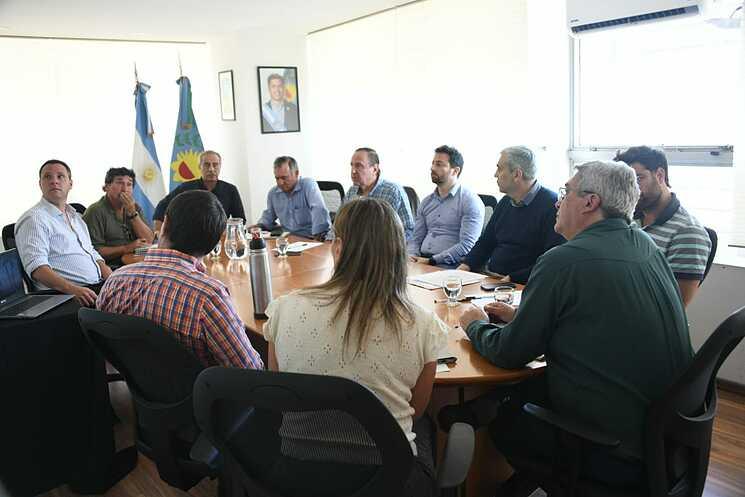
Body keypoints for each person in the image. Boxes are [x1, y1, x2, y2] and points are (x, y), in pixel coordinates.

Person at [451, 161, 693, 490]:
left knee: (505, 423)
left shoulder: (562, 261)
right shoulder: (645, 246)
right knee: (523, 389)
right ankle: (476, 412)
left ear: (590, 202)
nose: (557, 201)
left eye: (565, 192)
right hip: (663, 437)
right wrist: (524, 317)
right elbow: (597, 319)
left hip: (611, 448)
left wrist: (475, 324)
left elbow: (510, 354)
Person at [262, 197, 448, 496]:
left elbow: (282, 394)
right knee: (428, 425)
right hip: (388, 477)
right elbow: (413, 411)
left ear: (338, 247)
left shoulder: (284, 309)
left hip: (298, 470)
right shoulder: (423, 326)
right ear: (399, 254)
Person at [97, 190, 263, 369]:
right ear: (214, 244)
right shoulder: (208, 297)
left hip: (138, 387)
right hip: (199, 394)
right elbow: (249, 371)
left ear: (165, 223)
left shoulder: (116, 280)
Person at [615, 146, 711, 306]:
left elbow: (671, 307)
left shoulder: (688, 233)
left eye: (638, 179)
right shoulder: (629, 221)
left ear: (660, 175)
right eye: (625, 183)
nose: (631, 190)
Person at [457, 146, 564, 284]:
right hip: (492, 277)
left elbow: (550, 261)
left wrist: (512, 279)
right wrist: (464, 267)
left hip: (520, 284)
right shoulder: (506, 201)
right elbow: (486, 242)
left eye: (500, 168)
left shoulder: (552, 205)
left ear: (517, 174)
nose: (495, 174)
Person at [15, 159, 112, 306]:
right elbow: (37, 268)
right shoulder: (34, 219)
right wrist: (73, 290)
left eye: (60, 176)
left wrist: (110, 276)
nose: (54, 181)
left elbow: (90, 251)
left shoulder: (76, 216)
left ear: (70, 183)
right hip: (66, 297)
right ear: (40, 184)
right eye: (47, 177)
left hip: (97, 286)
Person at [408, 145, 484, 267]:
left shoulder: (470, 201)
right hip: (421, 262)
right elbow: (415, 239)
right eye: (433, 163)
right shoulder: (426, 202)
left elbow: (467, 245)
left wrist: (432, 260)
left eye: (439, 164)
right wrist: (412, 256)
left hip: (449, 266)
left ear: (455, 171)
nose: (432, 168)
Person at [153, 150, 245, 231]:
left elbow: (240, 220)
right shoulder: (186, 188)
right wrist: (158, 231)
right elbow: (162, 206)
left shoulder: (230, 190)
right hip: (192, 239)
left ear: (220, 166)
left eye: (215, 165)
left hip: (221, 237)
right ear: (199, 166)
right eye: (207, 164)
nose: (211, 169)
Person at [82, 167, 155, 267]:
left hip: (137, 259)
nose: (124, 189)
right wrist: (126, 248)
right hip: (111, 266)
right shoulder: (95, 211)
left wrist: (132, 213)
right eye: (120, 183)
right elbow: (93, 251)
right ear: (106, 187)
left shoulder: (135, 207)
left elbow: (149, 240)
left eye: (129, 184)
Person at [252, 156, 331, 240]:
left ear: (296, 173)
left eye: (284, 178)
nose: (280, 182)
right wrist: (258, 227)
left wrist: (317, 237)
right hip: (289, 239)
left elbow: (318, 209)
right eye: (277, 178)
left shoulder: (308, 185)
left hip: (312, 237)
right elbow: (268, 218)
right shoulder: (273, 194)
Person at [344, 147, 415, 239]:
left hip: (382, 247)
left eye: (359, 166)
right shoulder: (352, 192)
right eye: (352, 165)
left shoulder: (392, 191)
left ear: (375, 169)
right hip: (354, 246)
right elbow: (338, 224)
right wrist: (329, 242)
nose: (353, 171)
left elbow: (408, 230)